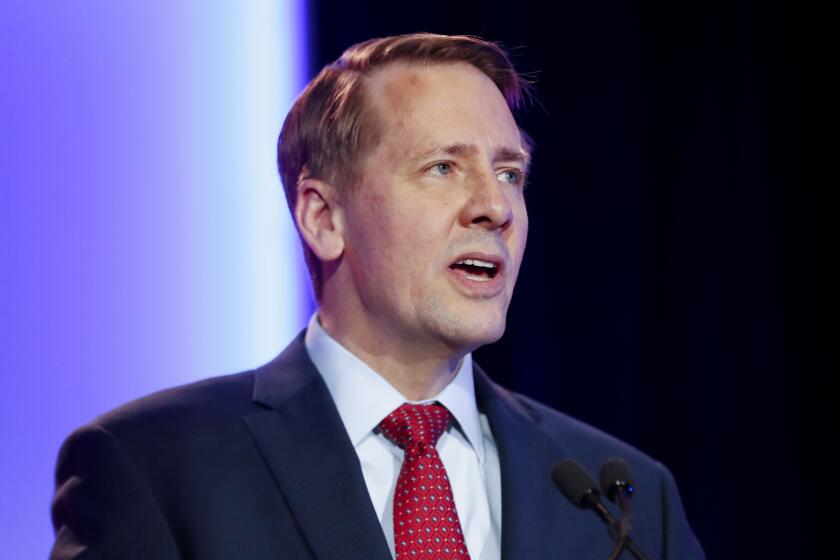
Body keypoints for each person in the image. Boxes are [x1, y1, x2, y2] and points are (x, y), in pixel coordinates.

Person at [50, 33, 705, 559]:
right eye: (442, 168)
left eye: (510, 173)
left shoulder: (623, 500)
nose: (495, 206)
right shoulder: (155, 467)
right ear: (323, 218)